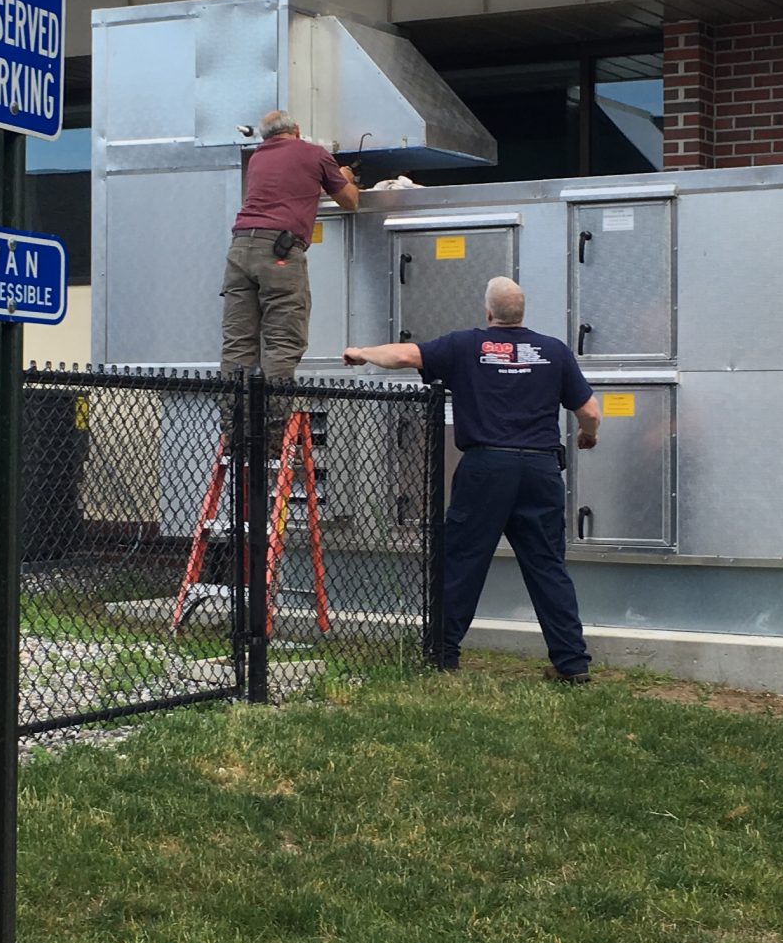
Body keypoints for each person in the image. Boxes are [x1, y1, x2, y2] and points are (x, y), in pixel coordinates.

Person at [345, 276, 602, 681]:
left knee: (463, 561)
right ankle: (572, 663)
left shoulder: (465, 345)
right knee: (547, 566)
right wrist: (588, 436)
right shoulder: (553, 350)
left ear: (488, 312)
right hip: (541, 470)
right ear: (522, 312)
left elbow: (405, 355)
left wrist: (363, 353)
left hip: (486, 468)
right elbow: (589, 411)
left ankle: (444, 654)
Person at [223, 110, 358, 380]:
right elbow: (350, 201)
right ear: (296, 130)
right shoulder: (314, 153)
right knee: (282, 341)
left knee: (238, 342)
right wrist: (345, 177)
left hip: (239, 250)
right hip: (278, 252)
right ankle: (273, 409)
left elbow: (290, 186)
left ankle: (233, 408)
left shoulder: (258, 156)